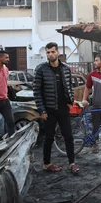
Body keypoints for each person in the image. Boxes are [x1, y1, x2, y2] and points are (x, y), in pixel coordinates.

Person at [34, 42, 79, 174]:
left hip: (63, 108)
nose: (50, 54)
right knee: (49, 137)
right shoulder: (41, 69)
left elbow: (69, 87)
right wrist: (41, 110)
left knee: (68, 136)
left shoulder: (65, 69)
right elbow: (37, 91)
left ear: (57, 52)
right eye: (48, 52)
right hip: (49, 110)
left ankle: (72, 163)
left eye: (52, 52)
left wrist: (71, 100)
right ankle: (47, 163)